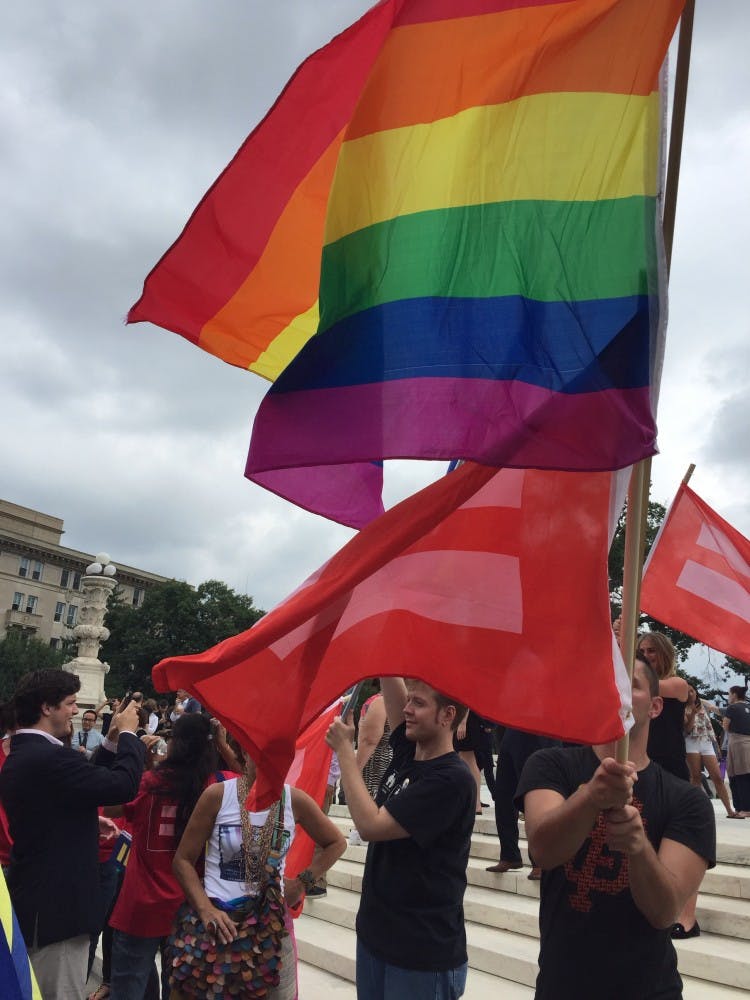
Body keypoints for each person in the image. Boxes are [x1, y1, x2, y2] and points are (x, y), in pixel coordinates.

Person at [516, 654, 715, 999]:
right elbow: (543, 851)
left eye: (632, 684)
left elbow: (665, 912)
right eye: (610, 680)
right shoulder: (550, 766)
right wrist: (591, 797)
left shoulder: (687, 801)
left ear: (655, 707)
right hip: (562, 987)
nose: (618, 688)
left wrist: (639, 848)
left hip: (649, 990)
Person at [327, 677, 476, 1000]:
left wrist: (344, 750)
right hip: (377, 938)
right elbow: (391, 678)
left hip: (420, 955)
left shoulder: (451, 780)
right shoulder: (410, 751)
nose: (407, 709)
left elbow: (370, 825)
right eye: (409, 701)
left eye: (419, 704)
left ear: (447, 715)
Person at [0, 669, 144, 1000]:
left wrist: (85, 822)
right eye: (70, 703)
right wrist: (129, 737)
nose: (76, 711)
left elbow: (63, 796)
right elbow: (121, 786)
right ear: (46, 707)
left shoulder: (28, 754)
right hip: (58, 911)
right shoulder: (47, 757)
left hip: (43, 902)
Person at [171, 732, 346, 999]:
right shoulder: (218, 795)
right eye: (259, 754)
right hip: (220, 925)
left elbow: (336, 842)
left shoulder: (294, 800)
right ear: (243, 752)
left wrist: (302, 883)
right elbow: (183, 860)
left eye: (278, 758)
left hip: (271, 931)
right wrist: (206, 910)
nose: (269, 764)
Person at [106, 713, 221, 1000]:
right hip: (191, 904)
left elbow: (110, 806)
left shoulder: (149, 782)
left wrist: (137, 759)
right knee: (181, 989)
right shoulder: (218, 787)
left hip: (141, 903)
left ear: (175, 744)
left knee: (128, 987)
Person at [486, 727, 559, 880]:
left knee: (533, 791)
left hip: (538, 728)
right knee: (503, 794)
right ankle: (509, 854)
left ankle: (539, 861)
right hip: (512, 727)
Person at [638, 631, 689, 780]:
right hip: (641, 764)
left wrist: (624, 649)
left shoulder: (678, 684)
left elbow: (649, 685)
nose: (645, 655)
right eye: (641, 651)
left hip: (670, 767)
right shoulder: (635, 685)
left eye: (651, 650)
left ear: (664, 654)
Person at [684, 684, 741, 818]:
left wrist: (717, 746)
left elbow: (715, 710)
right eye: (688, 692)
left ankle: (730, 811)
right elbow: (687, 729)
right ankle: (695, 811)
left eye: (692, 690)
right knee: (696, 778)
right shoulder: (682, 706)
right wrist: (692, 712)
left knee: (717, 777)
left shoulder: (702, 703)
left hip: (707, 741)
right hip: (691, 742)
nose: (691, 693)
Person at [723, 685, 750, 815]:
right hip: (746, 742)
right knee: (743, 774)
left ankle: (744, 808)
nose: (729, 697)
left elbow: (725, 726)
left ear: (734, 695)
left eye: (729, 694)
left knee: (739, 775)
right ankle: (741, 808)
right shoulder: (748, 707)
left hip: (738, 742)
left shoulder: (732, 708)